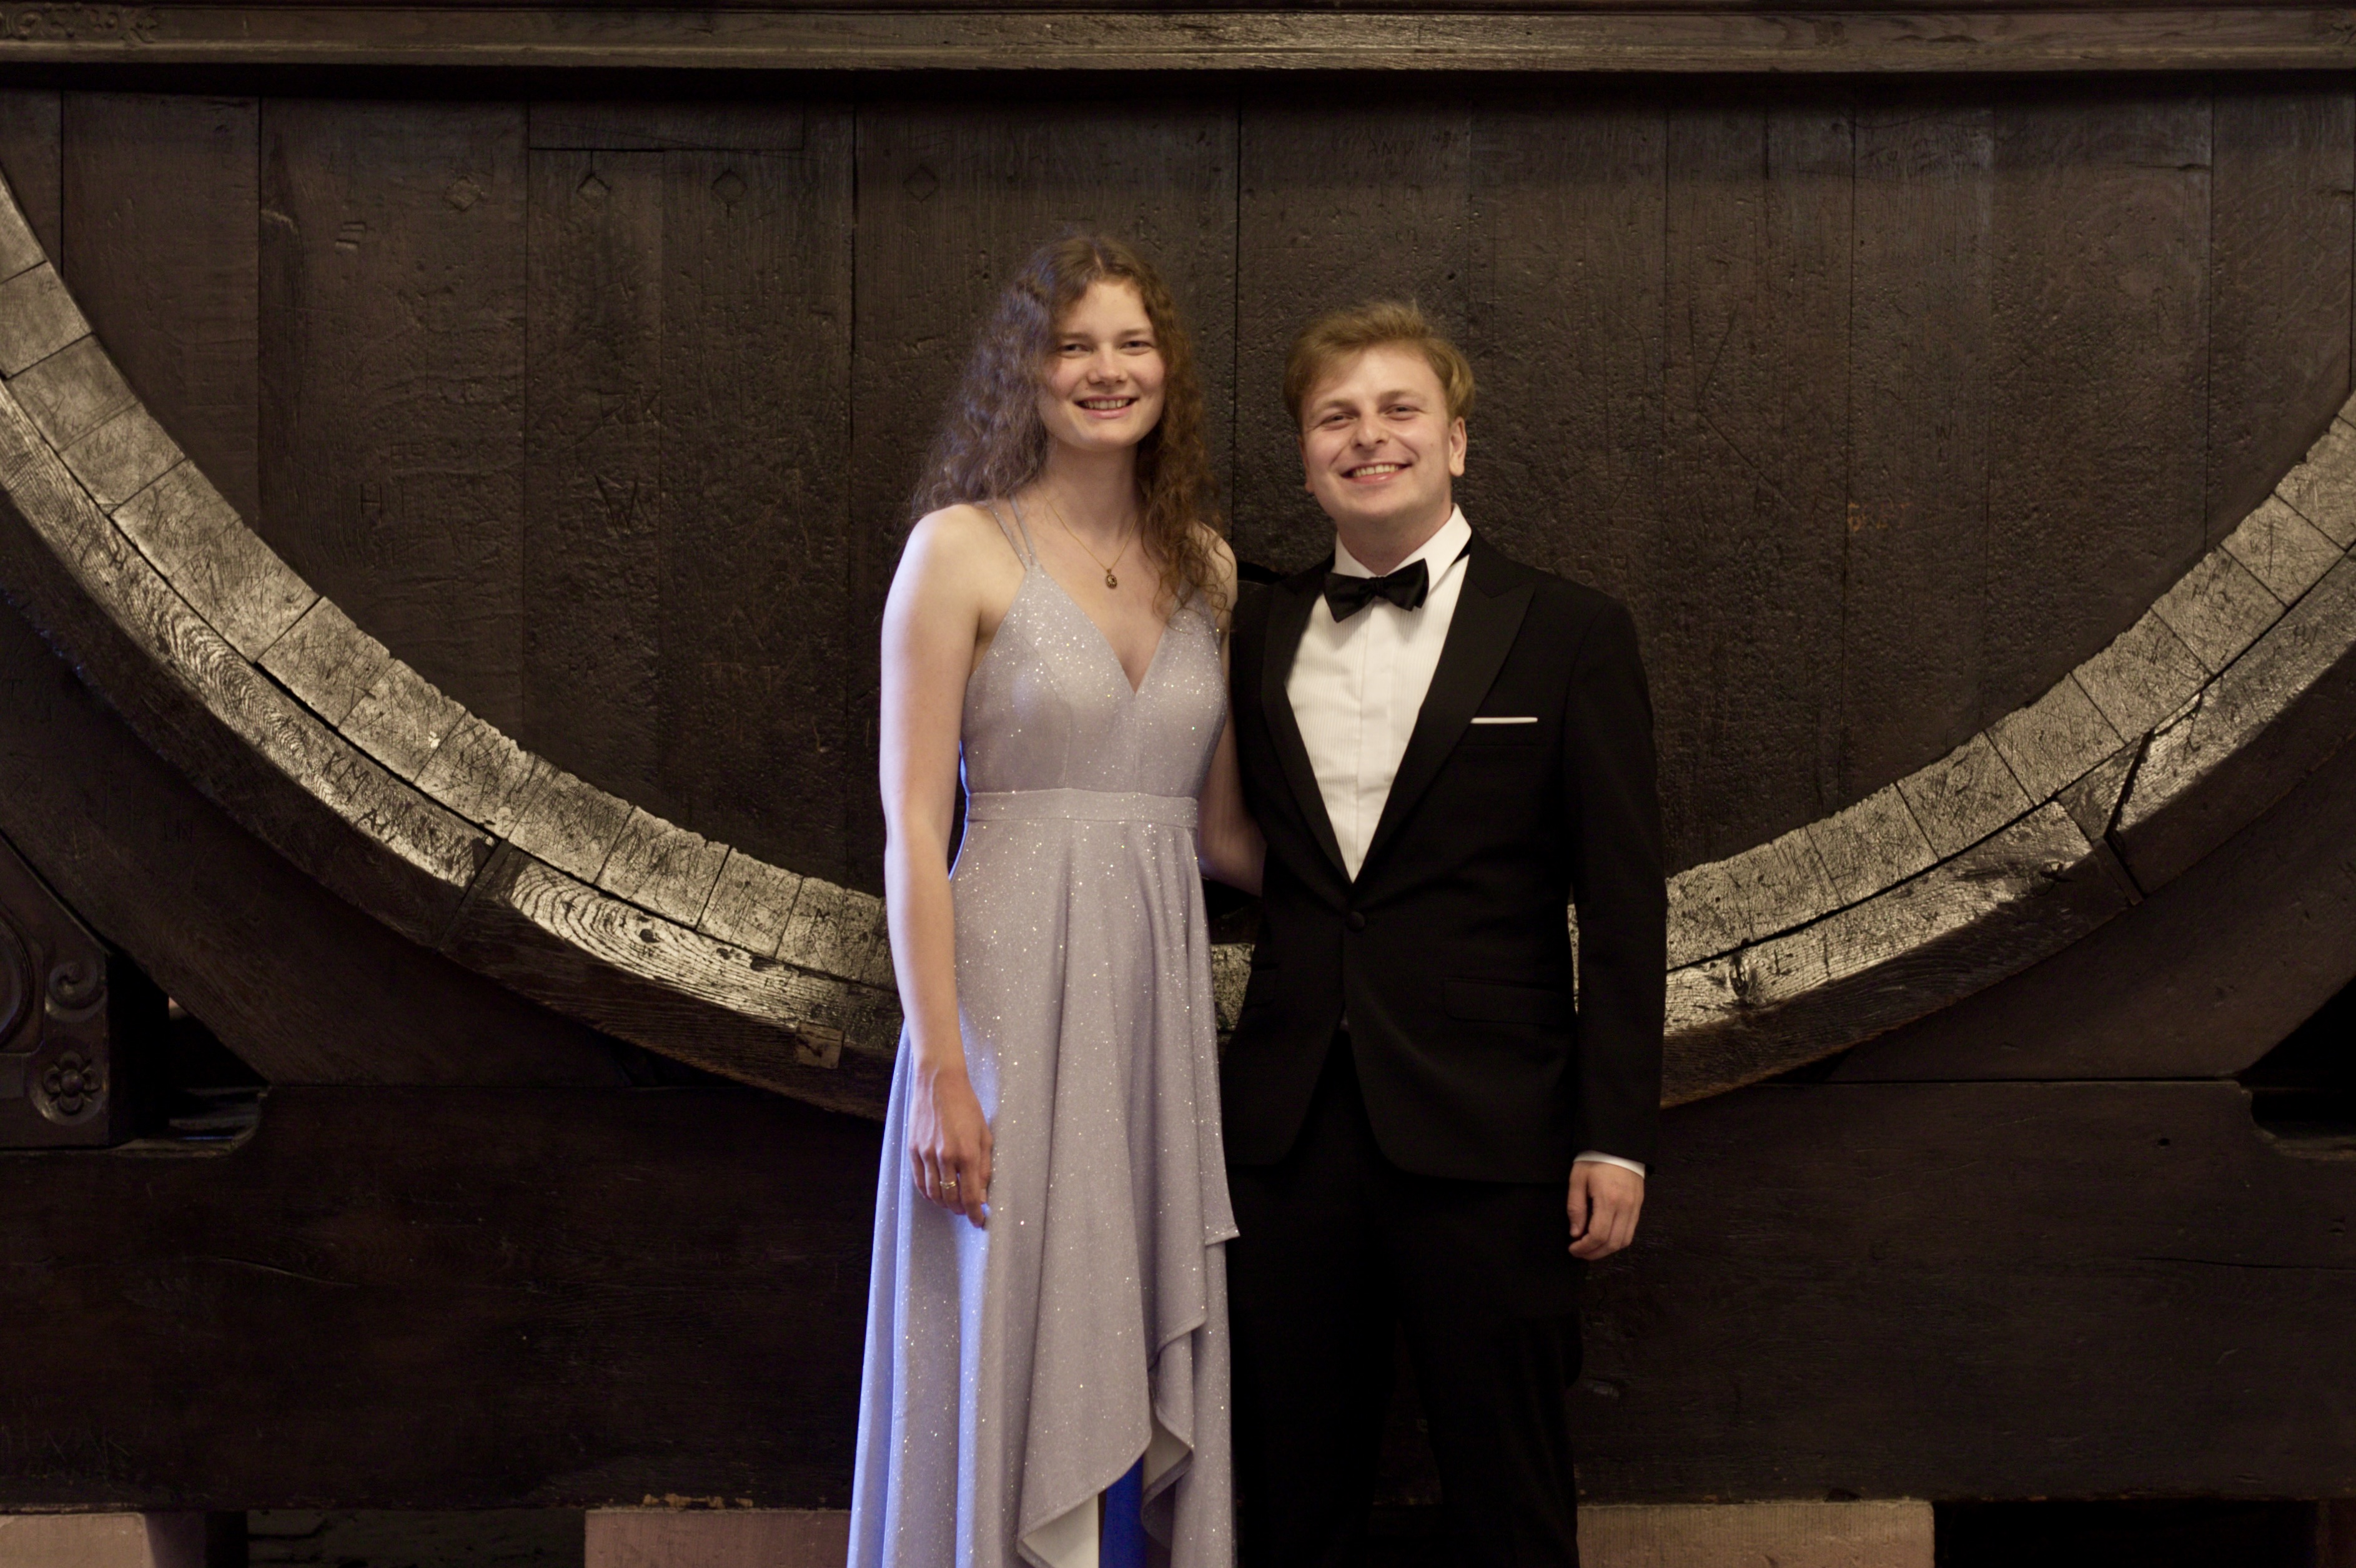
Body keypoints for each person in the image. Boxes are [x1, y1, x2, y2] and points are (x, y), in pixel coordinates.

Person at [1221, 301, 1666, 1567]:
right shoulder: (1252, 631)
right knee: (1290, 1492)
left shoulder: (1572, 632)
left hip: (1497, 1132)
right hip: (1287, 1133)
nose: (1368, 436)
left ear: (1456, 440)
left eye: (1397, 409)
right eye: (1336, 416)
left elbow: (1623, 905)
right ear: (1306, 455)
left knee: (1508, 1491)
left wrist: (1614, 1135)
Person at [849, 234, 1261, 1568]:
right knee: (1011, 1319)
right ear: (1024, 372)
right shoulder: (959, 550)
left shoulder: (1209, 566)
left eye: (1131, 343)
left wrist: (1426, 881)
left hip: (1153, 1012)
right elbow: (915, 826)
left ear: (1167, 369)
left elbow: (1222, 835)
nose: (1104, 370)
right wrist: (942, 1072)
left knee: (1133, 1324)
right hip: (1004, 1009)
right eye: (1073, 345)